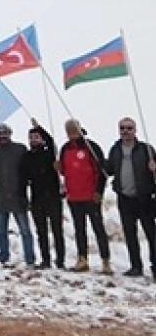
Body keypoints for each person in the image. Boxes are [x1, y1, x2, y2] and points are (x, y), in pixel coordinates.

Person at [103, 117, 156, 277]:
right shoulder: (115, 150)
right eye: (122, 128)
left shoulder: (146, 149)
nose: (125, 131)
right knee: (130, 234)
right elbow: (110, 170)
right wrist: (102, 165)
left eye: (129, 128)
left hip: (144, 198)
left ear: (135, 130)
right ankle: (136, 267)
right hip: (125, 199)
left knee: (151, 234)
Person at [59, 118, 111, 274]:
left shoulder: (91, 146)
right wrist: (59, 168)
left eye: (74, 131)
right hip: (74, 197)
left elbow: (102, 172)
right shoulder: (65, 149)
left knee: (98, 229)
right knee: (79, 229)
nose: (72, 134)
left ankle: (105, 260)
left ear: (80, 130)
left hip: (91, 196)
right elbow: (65, 171)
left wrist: (99, 192)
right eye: (69, 132)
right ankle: (82, 259)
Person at [0, 123, 35, 267]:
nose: (2, 136)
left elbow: (28, 170)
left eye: (5, 133)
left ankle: (30, 259)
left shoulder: (20, 149)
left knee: (25, 231)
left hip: (18, 196)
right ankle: (3, 257)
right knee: (1, 231)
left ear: (10, 134)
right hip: (1, 196)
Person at [22, 121, 65, 269]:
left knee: (57, 230)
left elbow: (51, 141)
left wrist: (40, 127)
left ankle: (60, 261)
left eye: (36, 137)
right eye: (31, 137)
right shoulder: (27, 157)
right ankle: (45, 260)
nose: (34, 140)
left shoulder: (50, 153)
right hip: (36, 198)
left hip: (53, 196)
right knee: (41, 232)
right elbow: (23, 178)